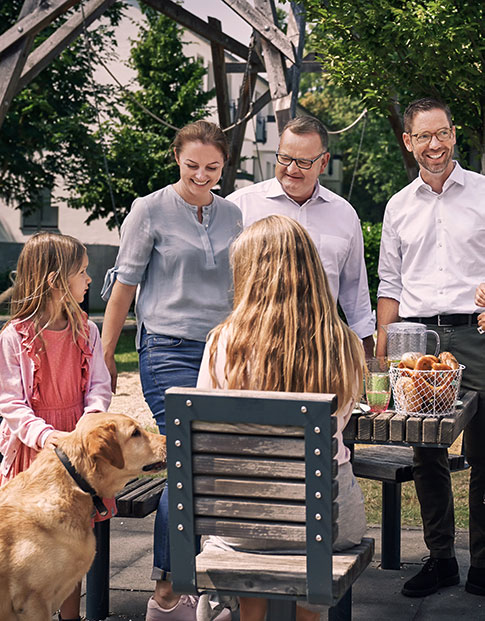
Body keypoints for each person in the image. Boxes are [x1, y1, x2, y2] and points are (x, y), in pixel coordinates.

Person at [100, 120, 241, 621]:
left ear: (225, 164)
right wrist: (105, 357)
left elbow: (241, 289)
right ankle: (166, 592)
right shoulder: (149, 210)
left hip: (224, 352)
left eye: (213, 167)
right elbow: (124, 288)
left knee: (213, 463)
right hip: (167, 350)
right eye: (192, 166)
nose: (202, 176)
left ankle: (203, 584)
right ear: (176, 159)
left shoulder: (233, 214)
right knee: (186, 462)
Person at [197, 214, 367, 621]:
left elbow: (208, 432)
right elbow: (341, 420)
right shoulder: (342, 344)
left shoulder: (222, 343)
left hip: (241, 522)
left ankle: (249, 613)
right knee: (313, 529)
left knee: (258, 528)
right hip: (327, 520)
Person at [377, 97, 485, 597]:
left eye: (441, 133)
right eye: (423, 136)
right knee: (426, 453)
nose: (434, 144)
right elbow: (390, 284)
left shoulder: (484, 193)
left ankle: (483, 562)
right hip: (417, 338)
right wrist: (382, 351)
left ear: (454, 133)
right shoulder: (398, 206)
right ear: (409, 141)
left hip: (477, 335)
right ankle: (441, 559)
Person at [0, 232, 112, 621]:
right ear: (55, 281)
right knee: (34, 550)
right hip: (36, 457)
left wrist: (89, 422)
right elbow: (11, 403)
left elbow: (99, 385)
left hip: (79, 454)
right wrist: (48, 437)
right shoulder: (15, 337)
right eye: (83, 271)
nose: (89, 279)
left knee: (74, 544)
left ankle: (72, 616)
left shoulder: (87, 330)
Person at [226, 115, 375, 358]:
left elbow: (354, 291)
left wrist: (368, 355)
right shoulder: (239, 207)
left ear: (323, 162)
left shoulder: (344, 214)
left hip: (323, 349)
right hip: (253, 347)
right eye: (285, 158)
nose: (292, 169)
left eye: (304, 162)